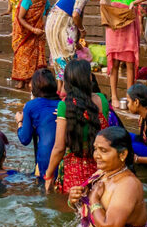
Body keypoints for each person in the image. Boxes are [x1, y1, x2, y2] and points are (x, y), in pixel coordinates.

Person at [90, 0, 147, 109]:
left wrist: (135, 2)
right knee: (114, 63)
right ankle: (114, 96)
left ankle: (129, 96)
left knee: (130, 63)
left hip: (129, 25)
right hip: (113, 27)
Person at [67, 127, 147, 227]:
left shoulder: (128, 185)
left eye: (103, 151)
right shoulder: (101, 174)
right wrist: (73, 200)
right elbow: (84, 211)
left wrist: (94, 199)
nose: (96, 155)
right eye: (95, 149)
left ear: (123, 154)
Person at [44, 60, 111, 193]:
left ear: (68, 82)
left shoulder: (64, 106)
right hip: (101, 170)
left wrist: (49, 174)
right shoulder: (102, 100)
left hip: (74, 173)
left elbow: (59, 148)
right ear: (90, 78)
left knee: (73, 209)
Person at [16, 68, 61, 180]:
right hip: (64, 159)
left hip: (45, 158)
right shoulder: (62, 104)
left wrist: (19, 121)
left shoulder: (31, 106)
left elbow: (24, 139)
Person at [44, 0, 90, 85]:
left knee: (59, 57)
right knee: (68, 58)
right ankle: (66, 89)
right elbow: (75, 15)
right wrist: (82, 30)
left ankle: (60, 89)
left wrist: (77, 41)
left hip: (51, 24)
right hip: (61, 25)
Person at [11, 0, 51, 90]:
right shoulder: (27, 0)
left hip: (37, 33)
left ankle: (32, 80)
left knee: (36, 57)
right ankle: (21, 80)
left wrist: (44, 29)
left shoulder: (45, 3)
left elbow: (47, 15)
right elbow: (20, 18)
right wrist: (32, 29)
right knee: (22, 55)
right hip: (23, 33)